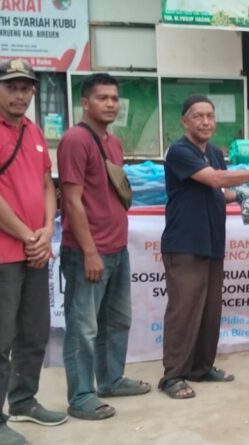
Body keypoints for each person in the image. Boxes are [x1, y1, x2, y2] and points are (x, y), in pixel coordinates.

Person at [0, 59, 66, 445]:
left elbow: (47, 185)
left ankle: (23, 400)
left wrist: (46, 230)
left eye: (26, 88)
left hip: (35, 249)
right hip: (0, 254)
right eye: (11, 87)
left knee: (35, 332)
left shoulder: (34, 132)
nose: (20, 95)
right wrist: (28, 235)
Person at [159, 95, 249, 400]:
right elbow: (214, 180)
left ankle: (201, 368)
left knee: (210, 311)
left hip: (212, 242)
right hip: (185, 244)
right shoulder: (179, 151)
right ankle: (173, 375)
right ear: (185, 121)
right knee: (184, 311)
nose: (205, 122)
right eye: (198, 116)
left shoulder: (213, 152)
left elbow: (221, 192)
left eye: (210, 116)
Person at [57, 73, 151, 421]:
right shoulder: (75, 140)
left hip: (117, 247)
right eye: (102, 98)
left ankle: (111, 379)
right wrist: (90, 251)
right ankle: (81, 396)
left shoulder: (113, 142)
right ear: (85, 103)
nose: (110, 104)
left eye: (114, 98)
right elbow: (72, 200)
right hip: (88, 251)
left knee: (117, 319)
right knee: (84, 327)